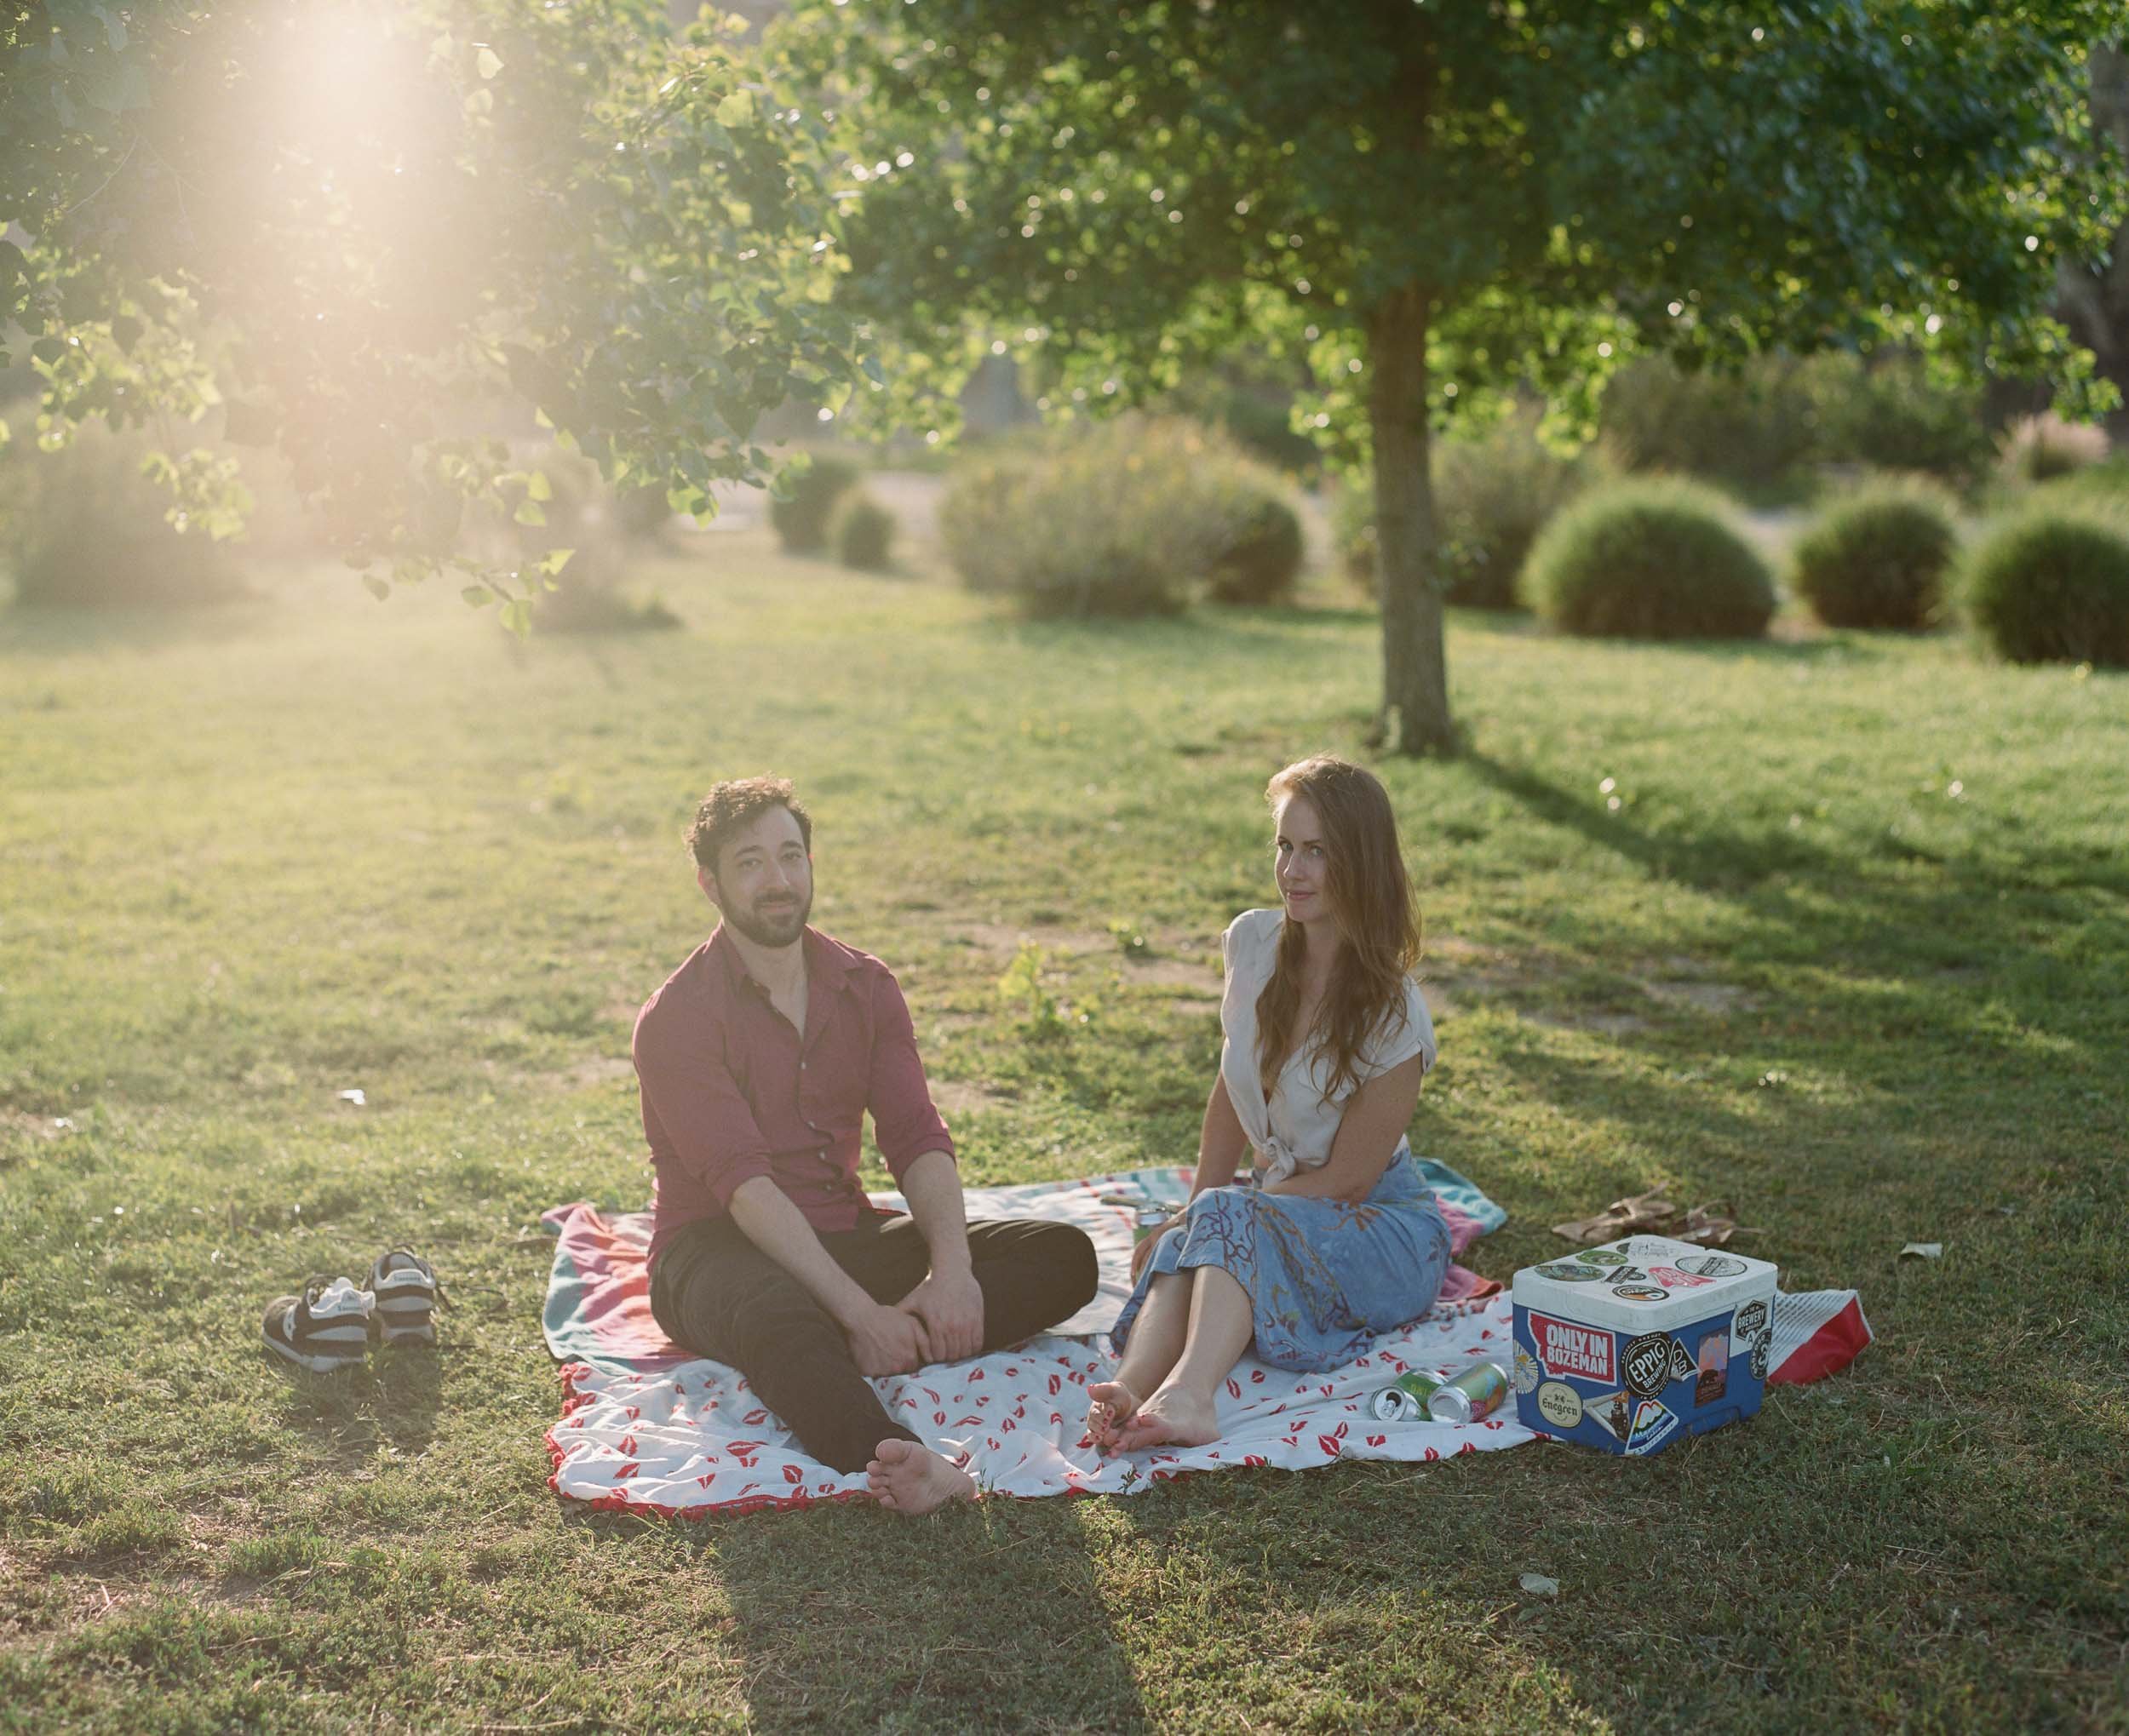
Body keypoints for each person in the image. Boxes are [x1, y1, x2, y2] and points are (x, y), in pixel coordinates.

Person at [634, 776, 1098, 1514]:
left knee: (1064, 1252)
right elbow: (745, 1187)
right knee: (776, 1316)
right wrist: (860, 1313)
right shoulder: (676, 1018)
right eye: (750, 862)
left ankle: (871, 1339)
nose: (778, 880)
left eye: (791, 855)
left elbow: (916, 1135)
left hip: (844, 1228)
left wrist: (951, 1274)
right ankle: (895, 1453)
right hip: (715, 1246)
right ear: (709, 883)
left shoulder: (865, 985)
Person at [1088, 754, 1447, 1453]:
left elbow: (1349, 1181)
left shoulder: (1395, 1009)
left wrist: (1228, 1211)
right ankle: (1127, 1391)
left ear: (1361, 862)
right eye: (1286, 846)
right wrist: (1201, 1207)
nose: (1293, 870)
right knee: (1213, 1217)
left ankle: (1191, 1398)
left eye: (1318, 851)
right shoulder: (1253, 943)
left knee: (1224, 1215)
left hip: (1382, 1226)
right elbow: (1233, 1086)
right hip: (1284, 1197)